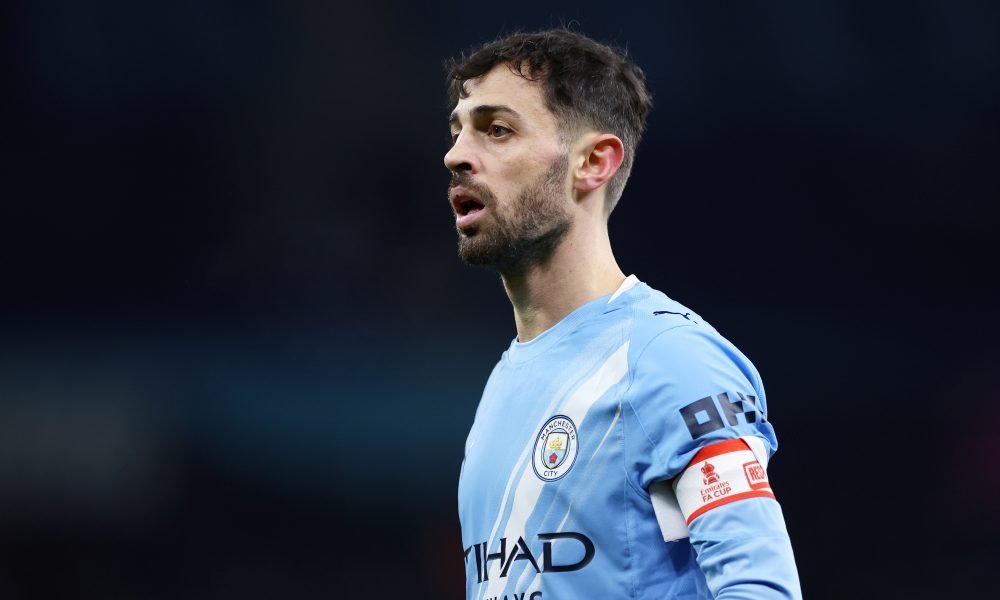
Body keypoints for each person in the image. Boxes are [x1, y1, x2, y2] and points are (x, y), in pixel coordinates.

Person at [445, 29, 801, 599]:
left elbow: (762, 590)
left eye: (498, 130)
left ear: (593, 162)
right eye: (458, 131)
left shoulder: (669, 361)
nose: (456, 155)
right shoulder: (506, 379)